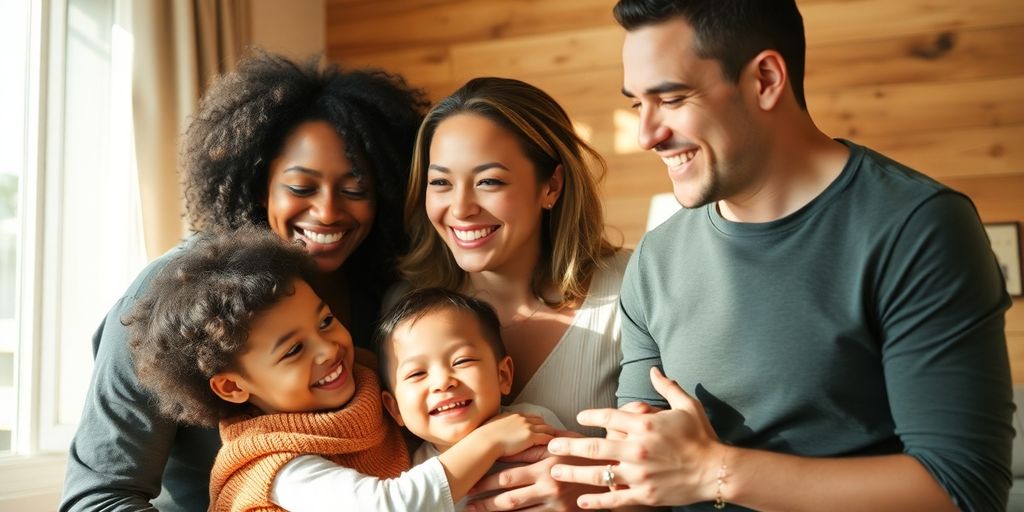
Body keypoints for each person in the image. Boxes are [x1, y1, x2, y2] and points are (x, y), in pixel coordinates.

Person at [546, 1, 1015, 511]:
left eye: (673, 99)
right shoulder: (656, 258)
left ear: (765, 79)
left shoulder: (917, 227)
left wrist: (715, 472)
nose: (646, 136)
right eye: (638, 104)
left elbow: (964, 489)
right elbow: (642, 476)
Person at [60, 51, 428, 512]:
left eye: (355, 189)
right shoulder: (167, 301)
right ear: (259, 185)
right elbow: (98, 498)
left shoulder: (390, 292)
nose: (328, 211)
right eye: (301, 187)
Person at [124, 229, 556, 511]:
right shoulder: (272, 466)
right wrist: (489, 439)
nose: (328, 349)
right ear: (233, 386)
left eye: (326, 321)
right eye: (294, 350)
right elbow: (387, 506)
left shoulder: (365, 385)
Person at [399, 76, 630, 510]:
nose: (461, 208)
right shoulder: (405, 310)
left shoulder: (629, 288)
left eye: (489, 182)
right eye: (441, 183)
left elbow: (682, 462)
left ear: (551, 186)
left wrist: (602, 488)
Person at [376, 287, 567, 511]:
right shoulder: (414, 476)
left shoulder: (534, 423)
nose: (442, 382)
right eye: (417, 373)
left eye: (462, 361)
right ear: (395, 408)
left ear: (503, 375)